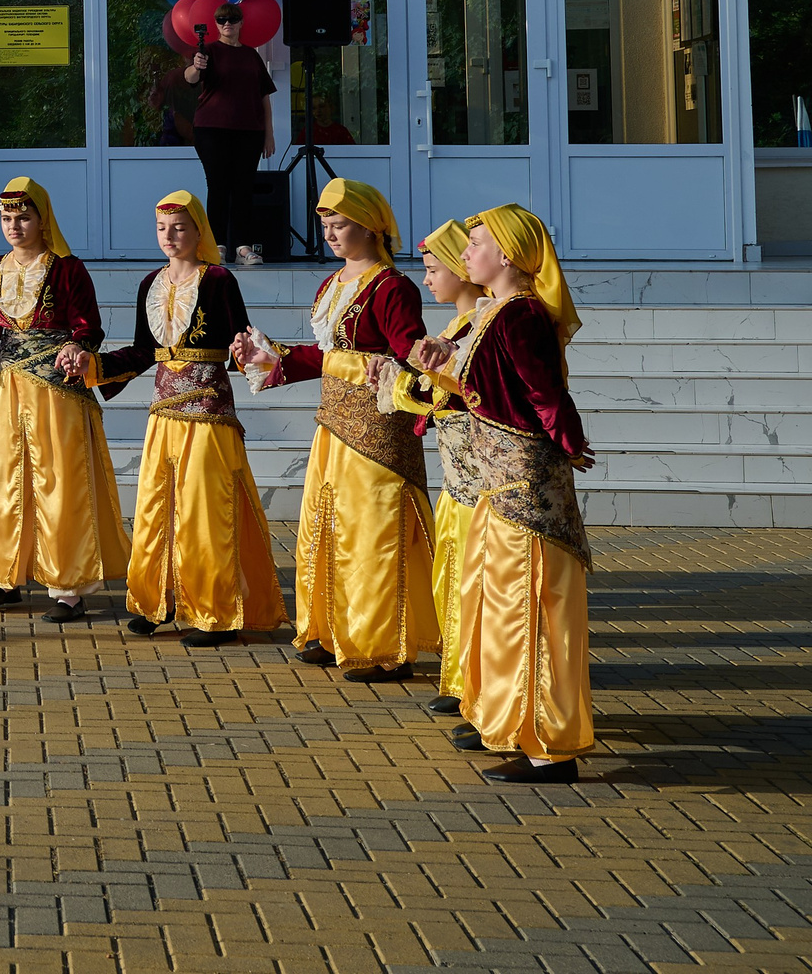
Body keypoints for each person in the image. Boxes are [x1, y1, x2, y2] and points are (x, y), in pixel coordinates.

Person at [413, 205, 595, 785]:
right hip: (500, 486)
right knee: (506, 611)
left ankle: (549, 747)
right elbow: (492, 392)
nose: (464, 255)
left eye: (477, 243)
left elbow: (542, 394)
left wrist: (570, 441)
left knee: (531, 612)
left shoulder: (520, 315)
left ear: (510, 256)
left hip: (524, 489)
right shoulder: (496, 313)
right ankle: (523, 730)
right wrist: (439, 371)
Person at [236, 177, 434, 681]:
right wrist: (270, 356)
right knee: (324, 528)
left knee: (373, 534)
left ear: (370, 226)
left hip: (377, 430)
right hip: (333, 426)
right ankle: (328, 629)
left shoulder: (393, 287)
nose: (329, 232)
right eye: (324, 224)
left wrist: (392, 371)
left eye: (339, 223)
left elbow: (405, 356)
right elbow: (328, 357)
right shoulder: (334, 283)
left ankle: (382, 646)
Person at [94, 191, 284, 645]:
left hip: (209, 414)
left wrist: (252, 358)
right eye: (161, 228)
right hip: (164, 416)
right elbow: (144, 350)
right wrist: (94, 366)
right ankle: (157, 601)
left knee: (205, 510)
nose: (169, 236)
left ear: (199, 230)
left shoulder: (218, 280)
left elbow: (242, 340)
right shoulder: (149, 284)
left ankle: (215, 613)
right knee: (159, 508)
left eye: (179, 227)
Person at [0, 178, 129, 622]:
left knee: (59, 482)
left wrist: (77, 347)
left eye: (24, 217)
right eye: (7, 218)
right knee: (7, 481)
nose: (14, 225)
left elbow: (90, 327)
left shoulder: (68, 269)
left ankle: (68, 588)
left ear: (43, 219)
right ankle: (8, 578)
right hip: (8, 389)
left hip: (57, 392)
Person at [379, 219, 485, 721]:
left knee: (477, 582)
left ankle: (480, 687)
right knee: (453, 578)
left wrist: (412, 380)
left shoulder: (484, 324)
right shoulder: (456, 328)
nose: (427, 280)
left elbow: (461, 393)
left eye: (434, 268)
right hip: (459, 480)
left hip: (483, 480)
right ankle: (462, 677)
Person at [182, 2, 276, 266]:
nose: (227, 24)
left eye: (232, 19)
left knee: (244, 188)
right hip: (212, 129)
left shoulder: (251, 55)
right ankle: (218, 245)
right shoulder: (207, 51)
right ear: (215, 24)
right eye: (222, 19)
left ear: (241, 23)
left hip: (249, 131)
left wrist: (269, 134)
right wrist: (196, 66)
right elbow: (190, 78)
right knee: (219, 186)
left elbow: (264, 96)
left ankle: (243, 247)